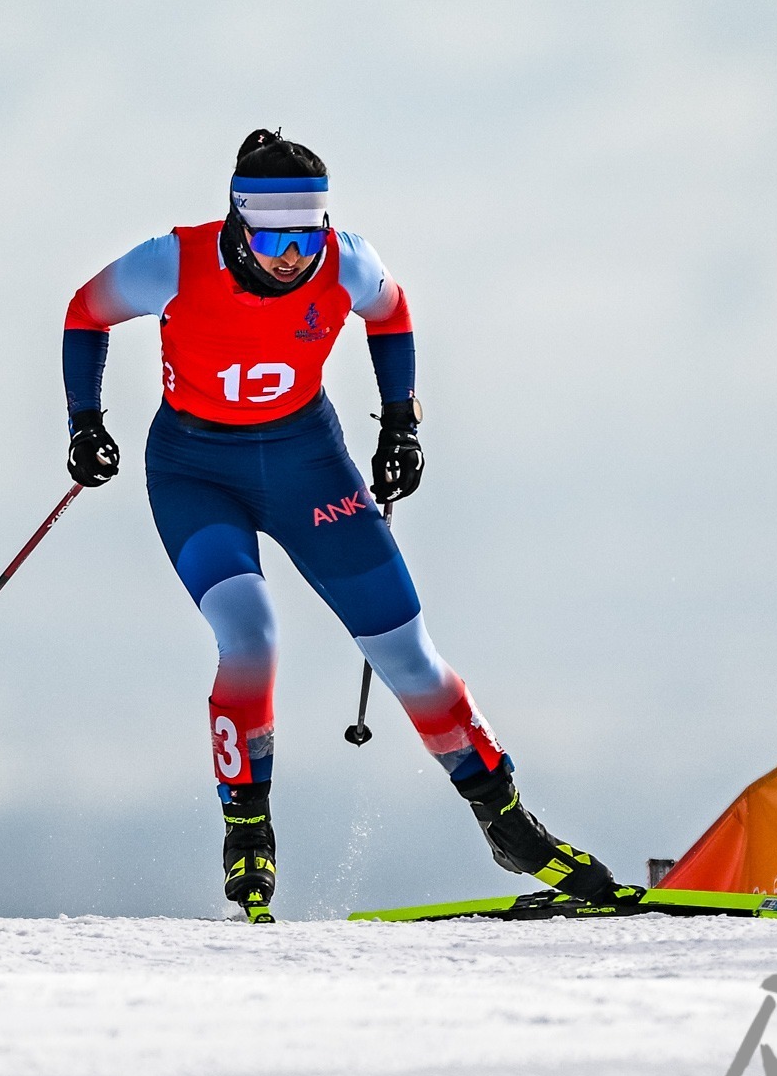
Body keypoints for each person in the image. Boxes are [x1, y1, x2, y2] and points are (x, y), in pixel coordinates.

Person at [61, 128, 619, 921]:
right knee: (249, 634)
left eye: (308, 235)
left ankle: (505, 820)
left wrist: (402, 424)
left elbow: (391, 314)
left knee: (408, 655)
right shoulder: (173, 262)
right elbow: (86, 312)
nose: (293, 257)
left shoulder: (347, 262)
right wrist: (85, 423)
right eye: (274, 237)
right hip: (195, 471)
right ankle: (247, 829)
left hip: (308, 465)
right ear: (237, 223)